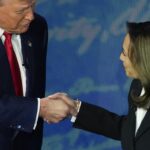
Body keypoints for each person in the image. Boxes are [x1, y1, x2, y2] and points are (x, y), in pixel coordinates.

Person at [50, 21, 150, 150]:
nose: (120, 57)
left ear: (143, 58)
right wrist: (75, 109)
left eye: (124, 53)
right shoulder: (138, 86)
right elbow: (131, 131)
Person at [0, 0, 76, 150]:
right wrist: (40, 109)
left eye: (33, 6)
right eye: (21, 11)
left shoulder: (37, 27)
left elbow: (35, 90)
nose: (31, 16)